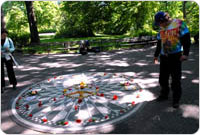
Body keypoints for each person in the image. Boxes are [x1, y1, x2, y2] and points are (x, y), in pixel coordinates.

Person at [153, 12, 191, 108]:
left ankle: (176, 99)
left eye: (159, 23)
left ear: (164, 21)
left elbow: (186, 39)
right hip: (164, 56)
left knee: (176, 79)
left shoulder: (179, 24)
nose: (159, 25)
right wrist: (156, 55)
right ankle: (164, 94)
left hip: (176, 56)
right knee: (163, 78)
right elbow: (159, 42)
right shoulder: (161, 27)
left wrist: (185, 54)